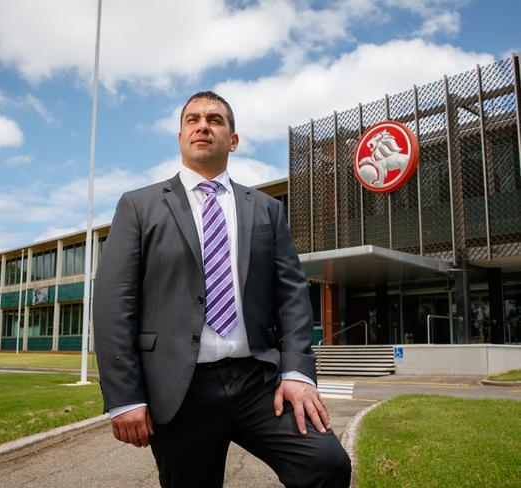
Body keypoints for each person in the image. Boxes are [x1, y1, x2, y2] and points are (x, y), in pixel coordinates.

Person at [93, 91, 351, 487]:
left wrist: (298, 371)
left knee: (326, 464)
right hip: (179, 389)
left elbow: (293, 297)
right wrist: (126, 397)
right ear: (180, 136)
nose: (202, 125)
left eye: (214, 119)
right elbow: (115, 304)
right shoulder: (138, 206)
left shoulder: (267, 209)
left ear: (232, 139)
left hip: (259, 382)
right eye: (192, 119)